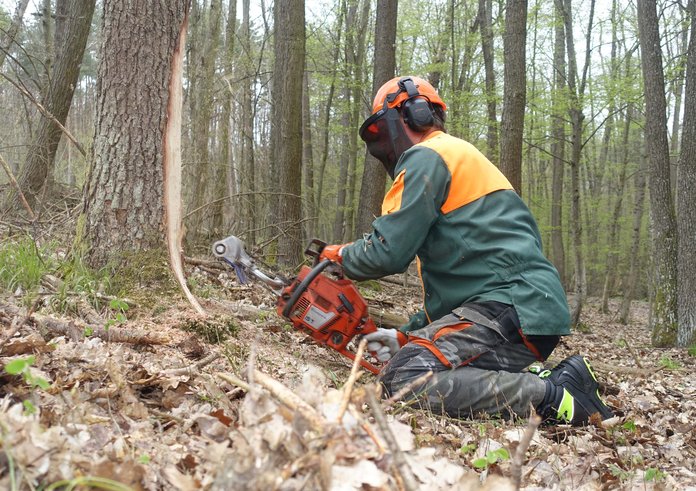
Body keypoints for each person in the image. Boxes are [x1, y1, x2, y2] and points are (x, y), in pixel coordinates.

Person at [319, 76, 613, 425]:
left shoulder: (428, 157)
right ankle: (564, 378)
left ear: (413, 115)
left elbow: (387, 252)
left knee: (405, 378)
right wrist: (407, 335)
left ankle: (553, 398)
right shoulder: (458, 158)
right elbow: (458, 293)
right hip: (524, 307)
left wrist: (336, 257)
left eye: (383, 131)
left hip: (510, 305)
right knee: (415, 361)